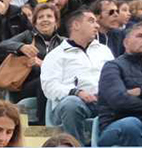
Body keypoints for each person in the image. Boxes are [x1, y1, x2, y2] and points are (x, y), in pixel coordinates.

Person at [41, 7, 114, 141]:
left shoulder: (104, 51)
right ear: (76, 25)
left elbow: (114, 78)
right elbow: (49, 87)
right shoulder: (56, 55)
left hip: (104, 100)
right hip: (74, 103)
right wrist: (76, 92)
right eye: (91, 21)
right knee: (71, 104)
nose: (97, 25)